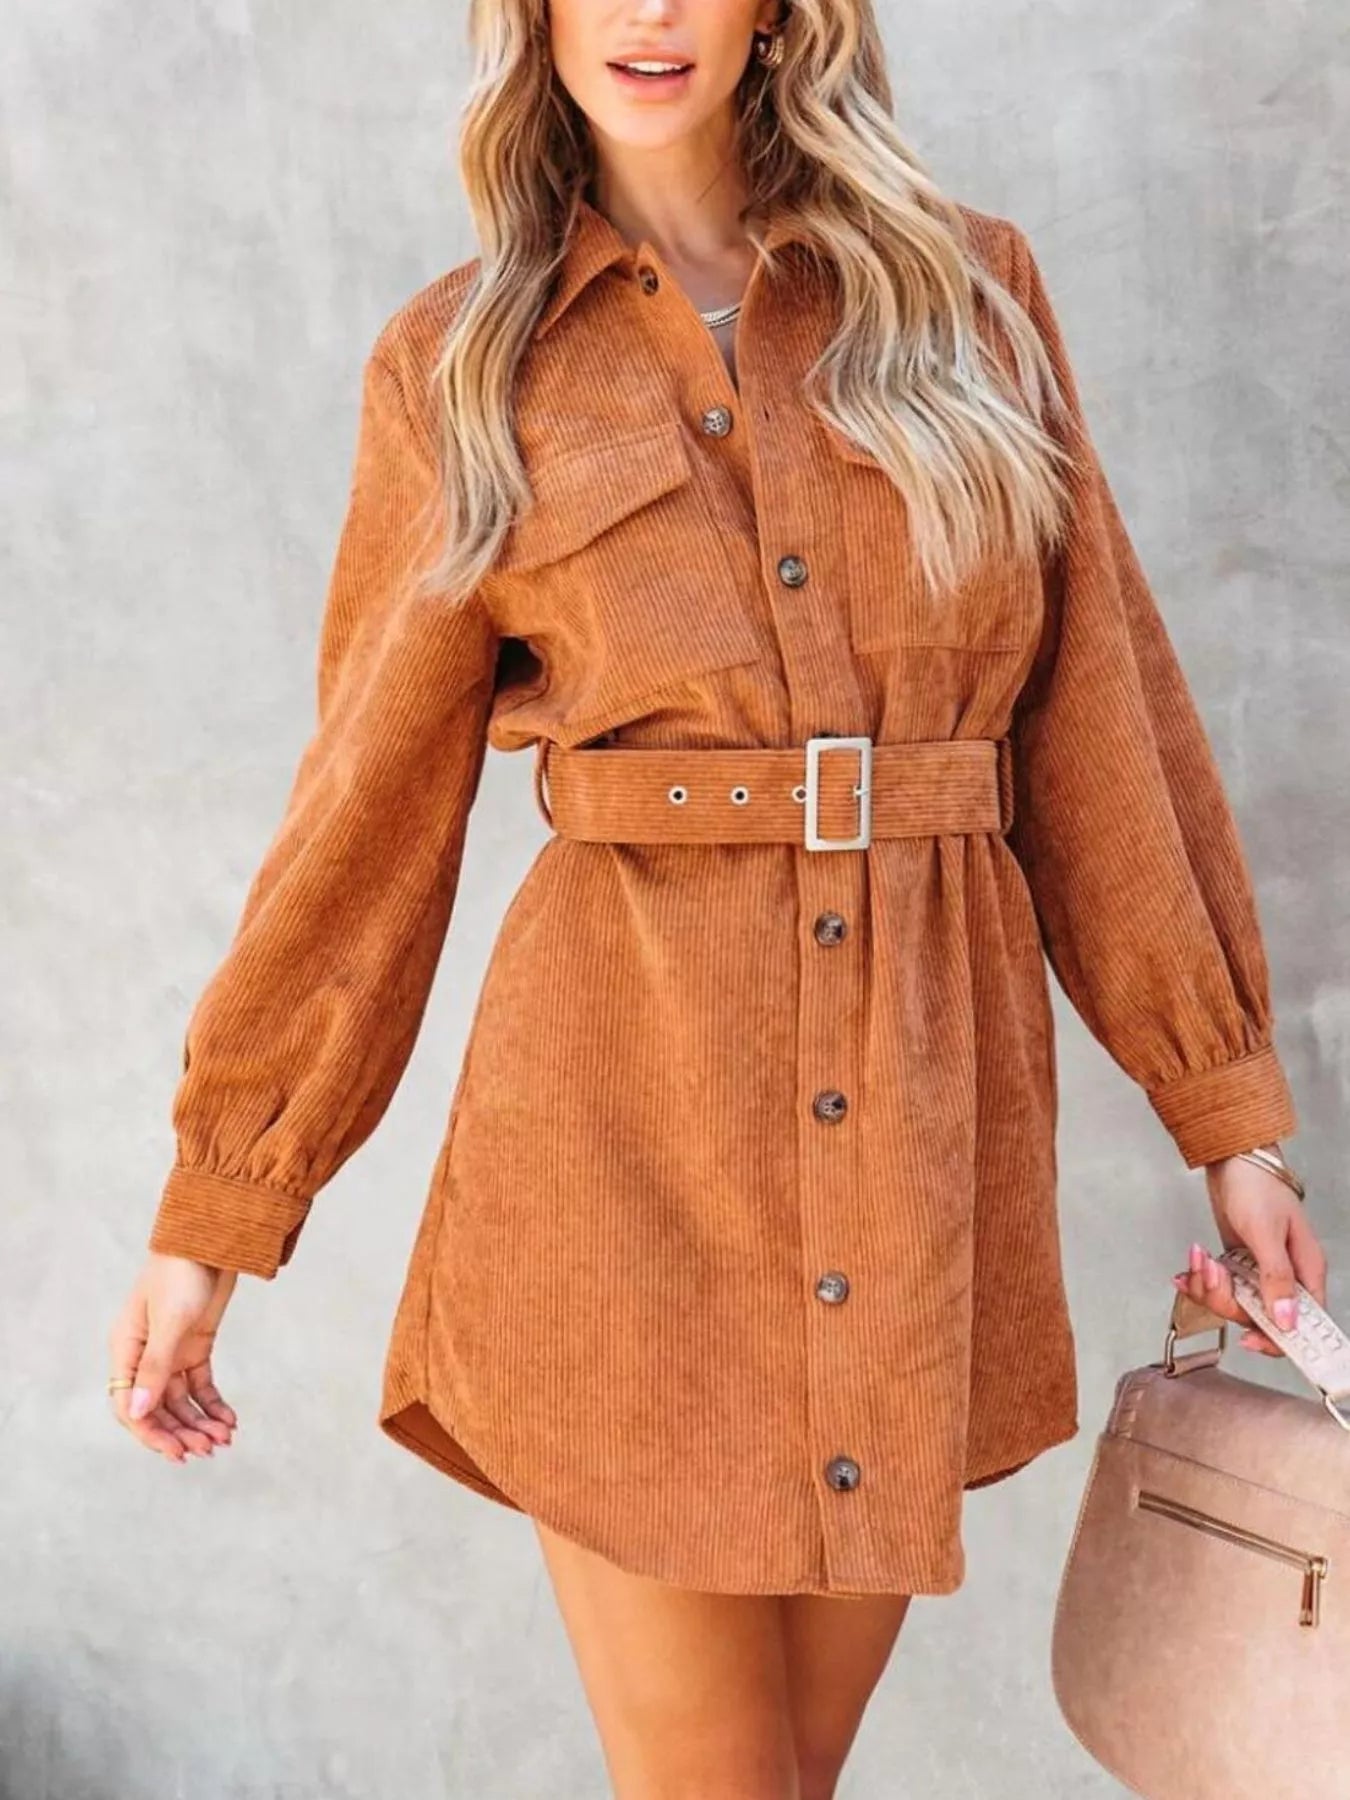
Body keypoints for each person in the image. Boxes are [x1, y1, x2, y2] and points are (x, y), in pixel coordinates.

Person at [108, 1, 1327, 1793]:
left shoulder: (966, 299)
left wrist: (1225, 1116)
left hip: (912, 1154)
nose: (649, 12)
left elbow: (1102, 727)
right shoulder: (458, 366)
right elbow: (363, 822)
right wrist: (220, 1207)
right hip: (618, 1159)